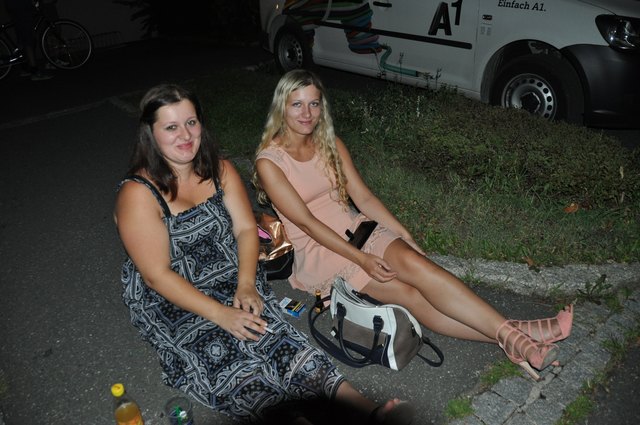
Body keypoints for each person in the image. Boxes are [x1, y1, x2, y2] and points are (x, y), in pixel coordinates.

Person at [113, 83, 414, 425]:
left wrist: (245, 284)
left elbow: (245, 229)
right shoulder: (138, 194)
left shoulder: (220, 170)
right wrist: (220, 314)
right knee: (229, 361)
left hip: (230, 273)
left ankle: (368, 412)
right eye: (171, 127)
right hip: (173, 294)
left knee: (278, 340)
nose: (185, 135)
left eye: (191, 122)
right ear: (150, 134)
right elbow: (156, 275)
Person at [253, 69, 574, 381]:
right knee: (411, 295)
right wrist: (362, 260)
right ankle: (520, 338)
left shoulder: (330, 144)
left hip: (359, 230)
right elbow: (308, 224)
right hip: (323, 254)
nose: (307, 113)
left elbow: (363, 197)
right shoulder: (270, 162)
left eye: (314, 103)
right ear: (282, 107)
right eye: (298, 104)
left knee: (420, 266)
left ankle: (517, 340)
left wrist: (403, 235)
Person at [3, 0, 53, 80]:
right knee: (28, 37)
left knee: (22, 35)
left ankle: (25, 67)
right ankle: (34, 70)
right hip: (21, 5)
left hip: (14, 5)